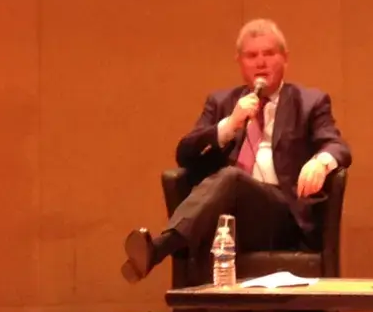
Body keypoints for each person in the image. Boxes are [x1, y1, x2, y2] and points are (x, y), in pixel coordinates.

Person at [122, 18, 350, 284]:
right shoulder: (221, 103)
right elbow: (185, 152)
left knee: (231, 177)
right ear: (240, 62)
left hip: (281, 217)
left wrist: (321, 162)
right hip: (227, 219)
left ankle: (161, 247)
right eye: (252, 56)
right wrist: (230, 124)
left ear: (285, 59)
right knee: (226, 189)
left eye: (269, 54)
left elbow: (337, 145)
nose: (260, 62)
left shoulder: (309, 102)